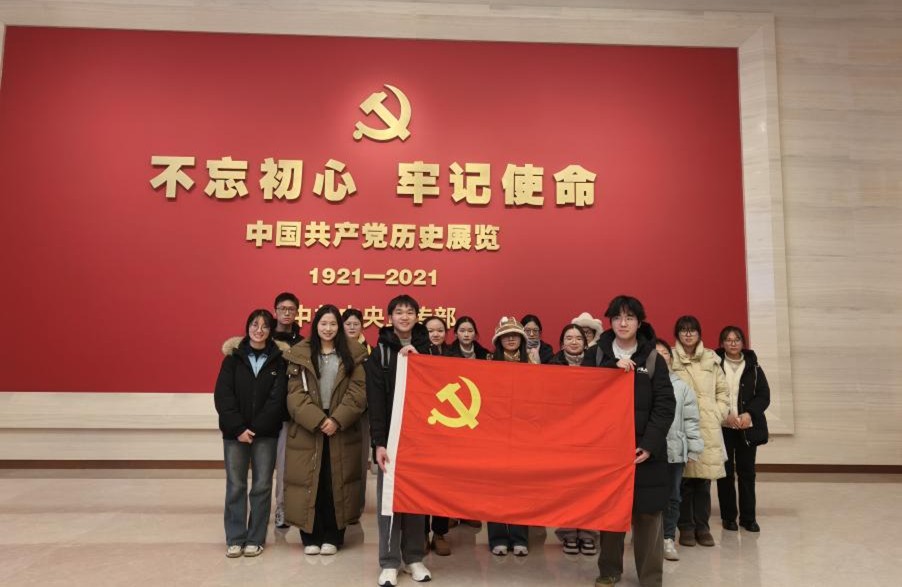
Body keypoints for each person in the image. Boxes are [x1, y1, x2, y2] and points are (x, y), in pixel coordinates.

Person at [592, 296, 675, 587]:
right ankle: (609, 571)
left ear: (639, 323)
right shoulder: (596, 355)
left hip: (644, 452)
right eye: (617, 317)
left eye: (629, 317)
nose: (623, 323)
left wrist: (649, 444)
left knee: (648, 516)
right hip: (607, 451)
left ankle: (650, 578)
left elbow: (665, 405)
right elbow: (581, 395)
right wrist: (610, 371)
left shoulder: (653, 359)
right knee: (610, 513)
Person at [283, 304, 367, 555]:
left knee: (336, 481)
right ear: (316, 325)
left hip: (341, 426)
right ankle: (310, 536)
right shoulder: (300, 354)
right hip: (310, 426)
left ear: (339, 327)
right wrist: (319, 420)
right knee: (311, 481)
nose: (328, 329)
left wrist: (337, 420)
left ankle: (333, 535)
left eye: (333, 324)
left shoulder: (354, 354)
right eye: (323, 323)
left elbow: (358, 392)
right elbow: (294, 395)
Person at [366, 294, 432, 587]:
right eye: (399, 312)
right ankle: (389, 561)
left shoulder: (430, 349)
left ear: (417, 316)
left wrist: (420, 362)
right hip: (391, 438)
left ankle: (414, 557)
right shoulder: (379, 353)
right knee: (389, 500)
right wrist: (379, 443)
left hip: (422, 438)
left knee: (416, 499)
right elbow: (376, 401)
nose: (404, 317)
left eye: (410, 312)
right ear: (390, 317)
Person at [214, 309, 288, 558]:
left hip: (265, 435)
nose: (259, 330)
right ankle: (235, 537)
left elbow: (278, 400)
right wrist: (238, 428)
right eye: (255, 325)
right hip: (234, 435)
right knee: (235, 485)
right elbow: (223, 396)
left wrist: (256, 428)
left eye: (265, 326)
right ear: (247, 327)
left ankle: (255, 538)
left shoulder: (279, 360)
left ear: (271, 331)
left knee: (262, 486)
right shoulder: (232, 359)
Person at [670, 315, 729, 548]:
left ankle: (703, 527)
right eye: (683, 330)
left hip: (707, 427)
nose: (688, 334)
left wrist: (718, 413)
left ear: (699, 333)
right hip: (680, 426)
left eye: (692, 330)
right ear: (677, 334)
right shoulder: (670, 358)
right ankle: (685, 527)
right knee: (683, 481)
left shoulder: (711, 359)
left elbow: (723, 391)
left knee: (704, 481)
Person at [487, 316, 537, 557]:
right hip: (495, 432)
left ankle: (519, 538)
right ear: (499, 341)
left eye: (515, 335)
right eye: (505, 336)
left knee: (520, 487)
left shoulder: (533, 363)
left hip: (524, 433)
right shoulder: (488, 363)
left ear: (521, 339)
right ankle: (497, 537)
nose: (510, 339)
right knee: (495, 487)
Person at [715, 326, 770, 533]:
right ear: (722, 343)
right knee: (725, 473)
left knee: (747, 473)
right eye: (728, 340)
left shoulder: (753, 366)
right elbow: (709, 393)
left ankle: (748, 518)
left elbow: (764, 395)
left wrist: (749, 414)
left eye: (736, 339)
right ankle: (728, 517)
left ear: (742, 342)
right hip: (724, 426)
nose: (733, 343)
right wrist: (724, 414)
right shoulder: (714, 364)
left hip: (747, 427)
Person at [550, 324, 598, 555]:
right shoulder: (552, 365)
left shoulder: (597, 364)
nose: (574, 341)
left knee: (589, 486)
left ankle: (589, 532)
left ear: (585, 343)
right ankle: (568, 532)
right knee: (566, 487)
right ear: (562, 343)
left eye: (578, 338)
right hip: (562, 434)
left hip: (591, 433)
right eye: (568, 337)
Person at [654, 339, 704, 562]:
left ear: (671, 358)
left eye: (664, 353)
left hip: (674, 451)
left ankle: (667, 538)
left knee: (673, 497)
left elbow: (691, 420)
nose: (660, 356)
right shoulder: (641, 383)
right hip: (648, 452)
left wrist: (693, 448)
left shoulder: (682, 387)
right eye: (655, 353)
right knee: (647, 497)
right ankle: (645, 538)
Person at [420, 315, 452, 555]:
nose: (435, 334)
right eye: (430, 331)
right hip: (423, 426)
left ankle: (440, 533)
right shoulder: (417, 356)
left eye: (440, 330)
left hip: (449, 429)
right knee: (423, 484)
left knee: (444, 485)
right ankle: (421, 533)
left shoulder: (454, 356)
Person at [271, 292, 304, 529]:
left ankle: (282, 509)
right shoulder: (264, 337)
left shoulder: (302, 343)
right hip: (264, 412)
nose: (286, 313)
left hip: (289, 413)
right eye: (282, 308)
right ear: (275, 311)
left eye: (291, 309)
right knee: (263, 468)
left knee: (285, 467)